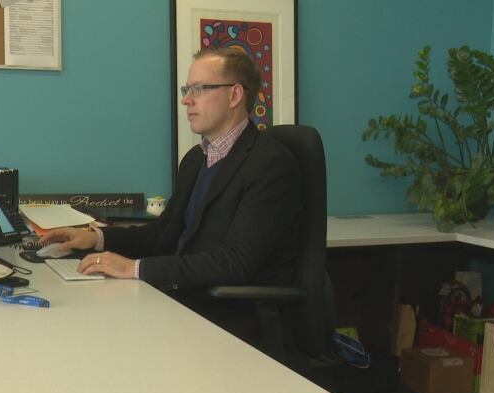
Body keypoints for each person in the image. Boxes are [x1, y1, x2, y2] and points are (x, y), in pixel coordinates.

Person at [41, 48, 301, 339]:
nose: (185, 100)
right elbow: (166, 232)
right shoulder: (195, 159)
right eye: (186, 89)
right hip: (184, 299)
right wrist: (97, 239)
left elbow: (235, 262)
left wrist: (136, 268)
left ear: (235, 95)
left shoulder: (270, 164)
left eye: (199, 89)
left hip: (229, 318)